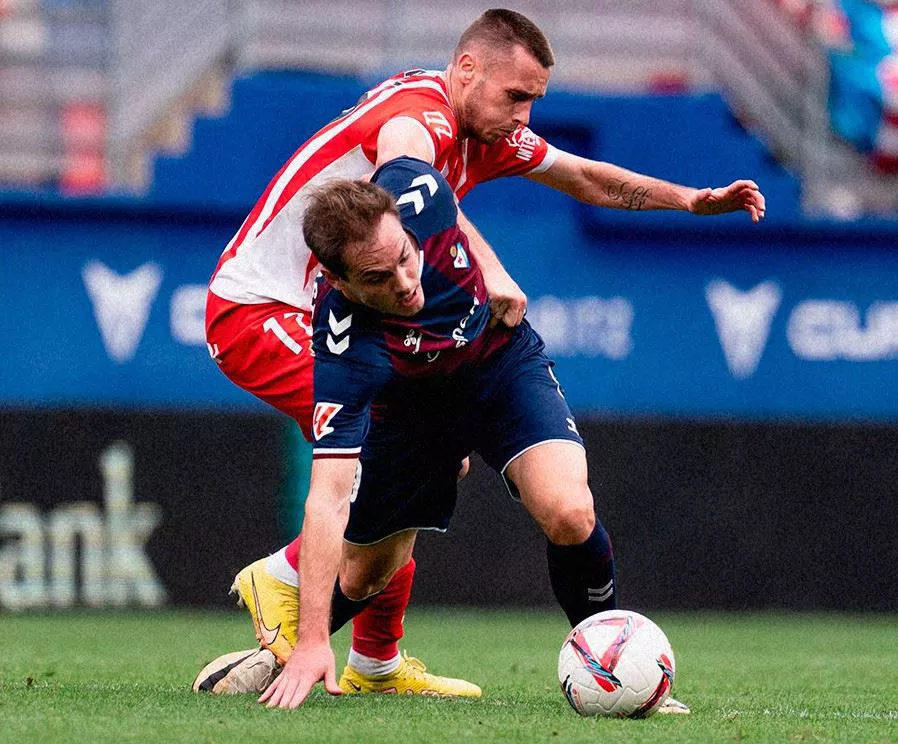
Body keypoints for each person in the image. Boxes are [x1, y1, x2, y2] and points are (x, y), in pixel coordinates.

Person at [202, 8, 765, 698]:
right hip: (261, 307)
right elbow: (409, 183)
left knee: (435, 462)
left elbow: (586, 177)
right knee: (381, 454)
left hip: (374, 315)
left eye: (534, 99)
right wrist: (489, 265)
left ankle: (374, 665)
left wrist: (689, 200)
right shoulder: (419, 114)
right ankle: (287, 583)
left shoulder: (491, 132)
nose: (524, 114)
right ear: (466, 70)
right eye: (515, 96)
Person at [258, 155, 669, 709]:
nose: (406, 283)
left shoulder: (417, 187)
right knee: (361, 580)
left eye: (406, 256)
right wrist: (312, 641)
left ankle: (610, 662)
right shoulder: (345, 349)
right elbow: (328, 499)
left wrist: (494, 270)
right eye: (378, 278)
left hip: (499, 367)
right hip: (413, 415)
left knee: (570, 511)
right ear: (337, 280)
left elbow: (429, 165)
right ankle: (285, 651)